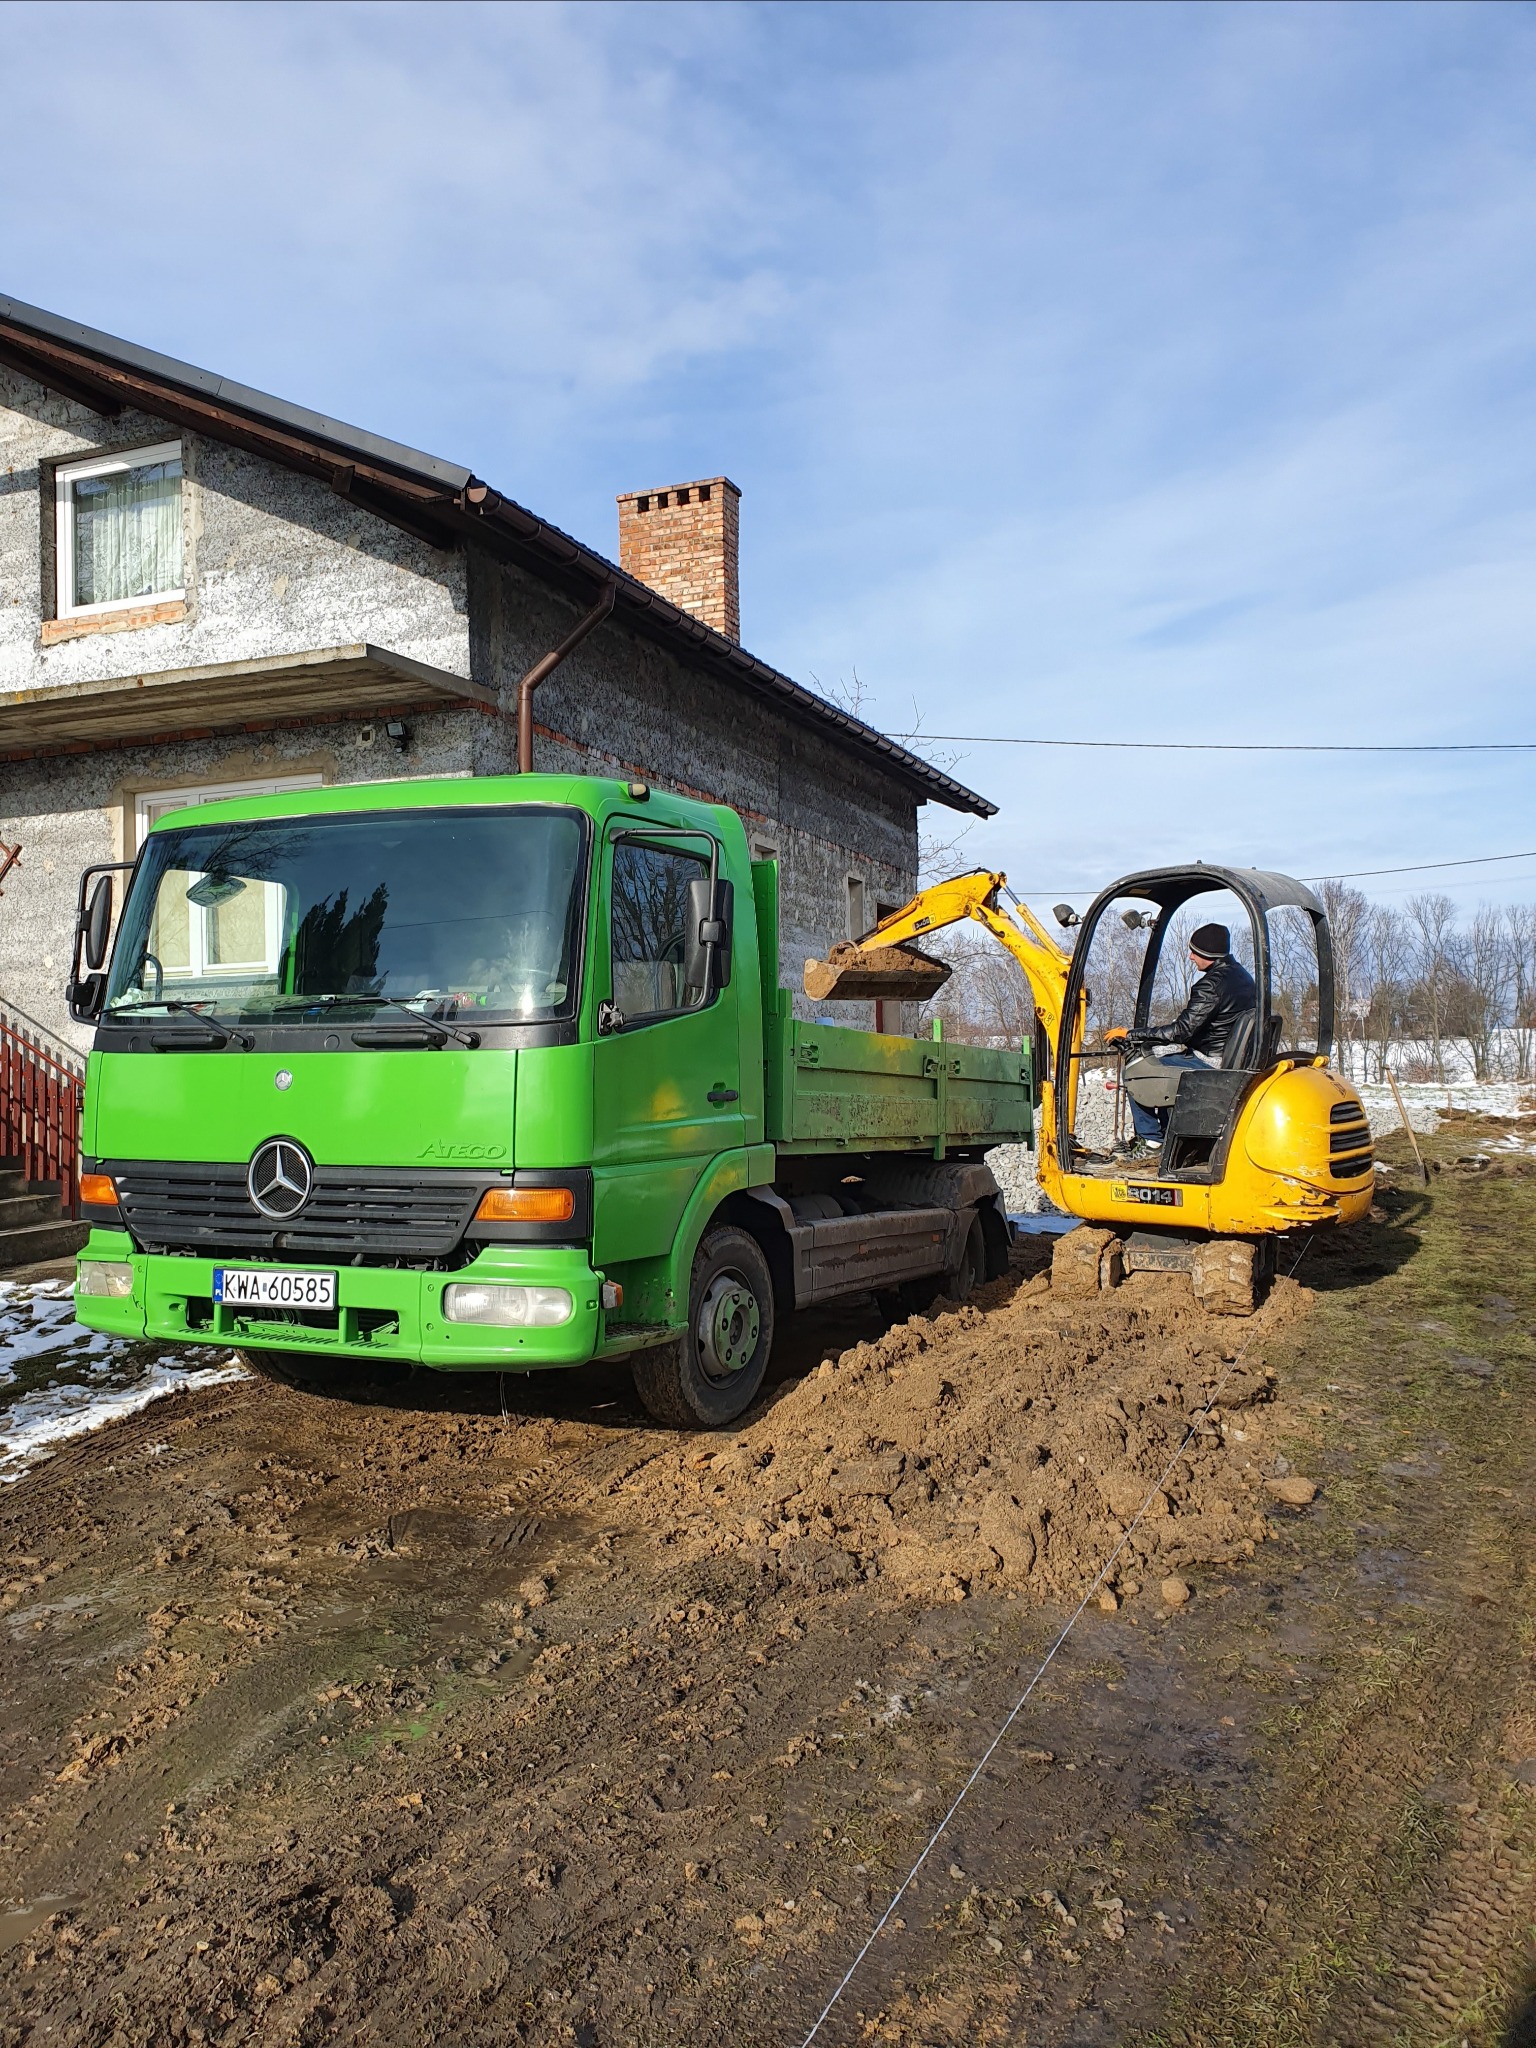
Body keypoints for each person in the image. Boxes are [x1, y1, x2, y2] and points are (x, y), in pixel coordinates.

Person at [1116, 923, 1256, 1154]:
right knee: (1161, 1064)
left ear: (1208, 954)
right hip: (1229, 1057)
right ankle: (1169, 1137)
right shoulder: (1242, 976)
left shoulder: (1210, 985)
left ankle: (1151, 1142)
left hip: (1210, 1060)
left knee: (1136, 1071)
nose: (1191, 956)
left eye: (1195, 952)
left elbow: (1181, 1031)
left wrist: (1131, 1034)